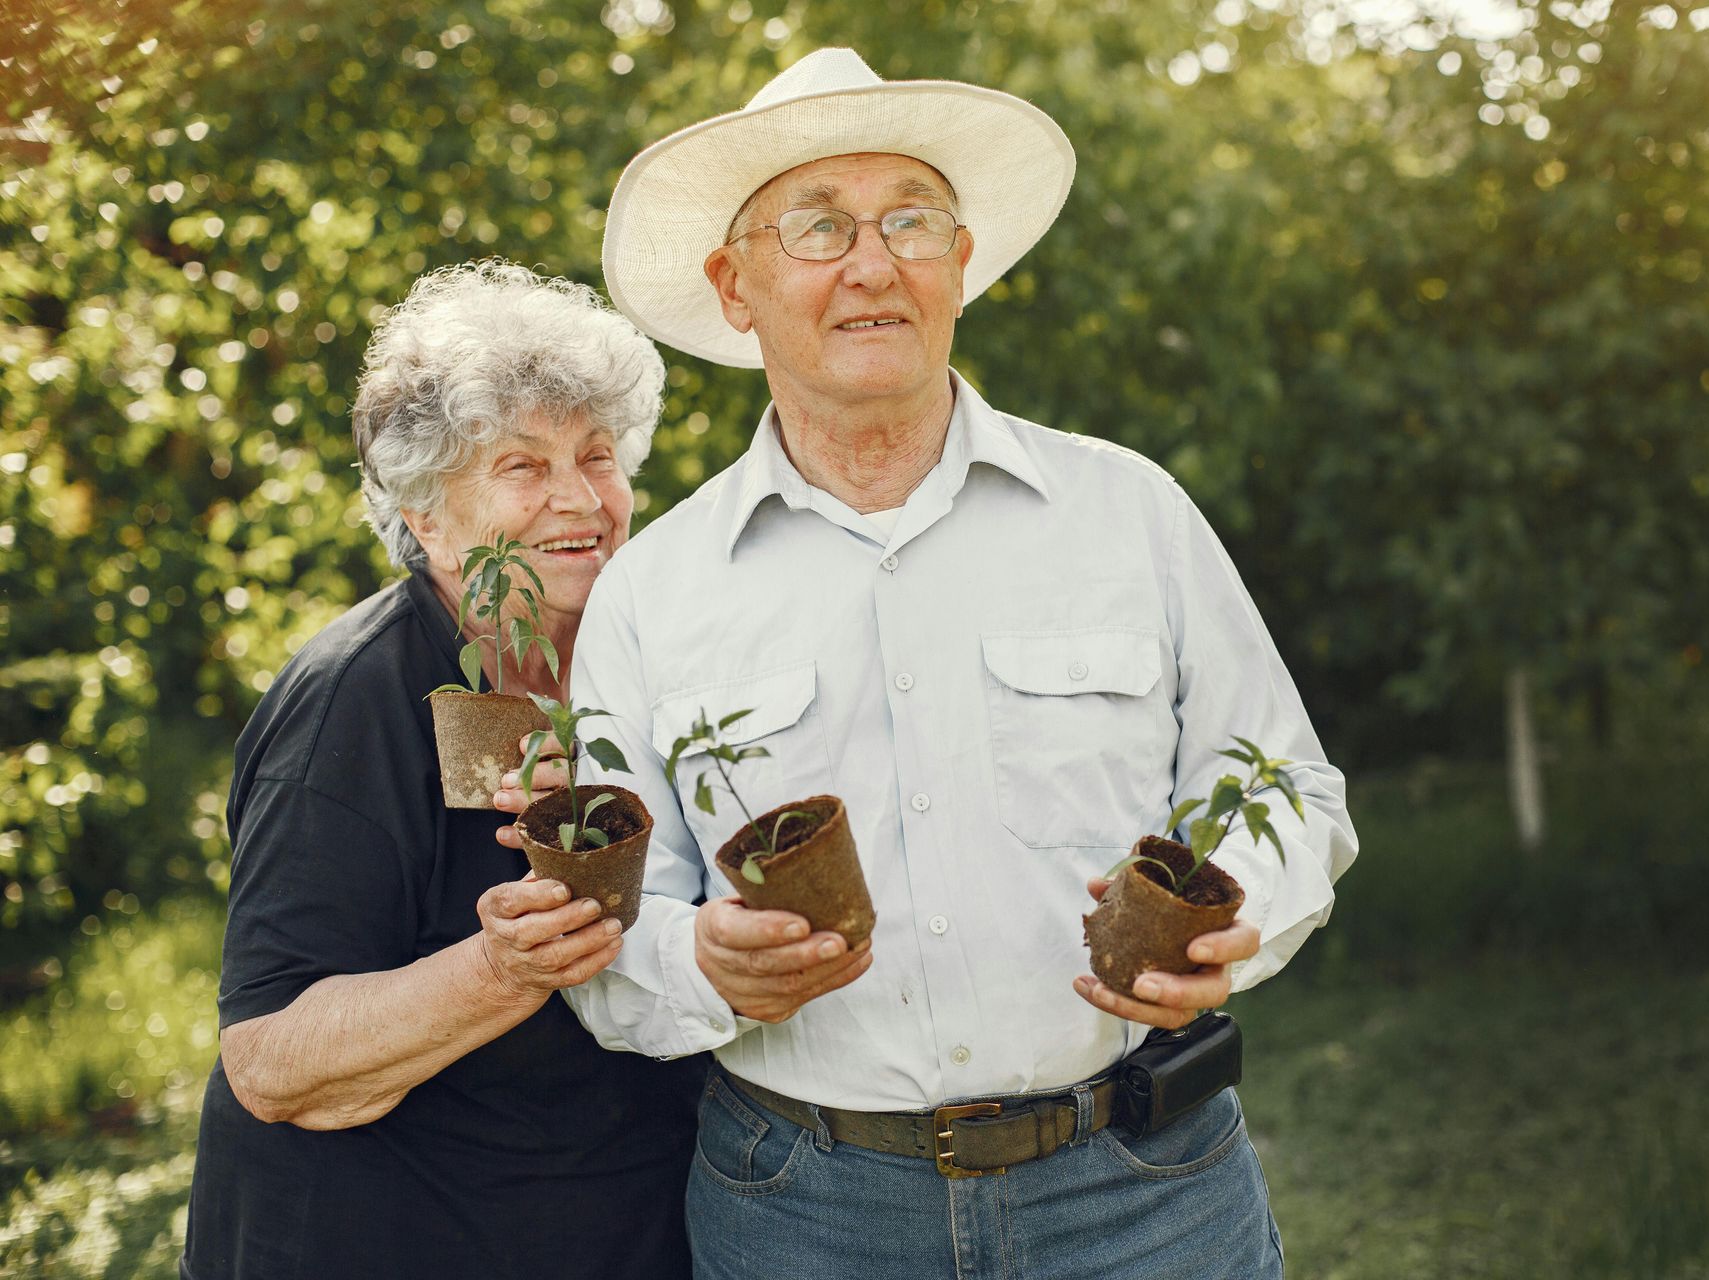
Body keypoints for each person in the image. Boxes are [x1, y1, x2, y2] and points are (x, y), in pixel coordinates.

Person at [549, 49, 1359, 1278]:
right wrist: (697, 961)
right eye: (818, 226)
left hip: (1147, 1190)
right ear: (735, 285)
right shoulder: (655, 588)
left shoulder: (1127, 510)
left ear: (962, 265)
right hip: (806, 1210)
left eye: (911, 220)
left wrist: (1227, 925)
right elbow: (608, 921)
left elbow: (1288, 785)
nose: (872, 263)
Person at [180, 261, 707, 1279]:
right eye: (522, 465)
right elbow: (272, 1059)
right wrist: (502, 966)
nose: (579, 497)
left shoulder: (643, 671)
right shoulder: (357, 701)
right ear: (427, 515)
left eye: (597, 454)